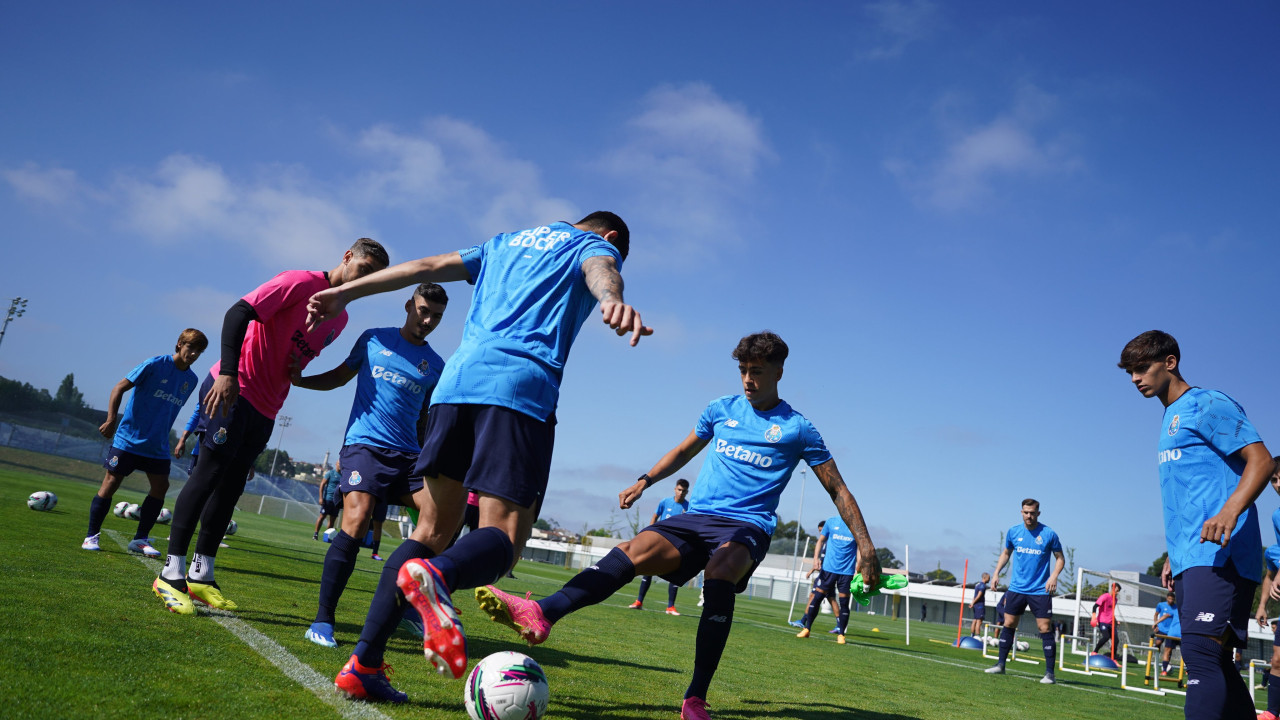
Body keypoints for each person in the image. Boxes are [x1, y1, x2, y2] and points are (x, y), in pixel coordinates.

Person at [303, 213, 649, 702]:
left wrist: (346, 294)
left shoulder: (504, 242)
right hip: (518, 392)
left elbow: (425, 264)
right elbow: (600, 270)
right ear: (611, 237)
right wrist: (612, 298)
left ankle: (364, 663)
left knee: (430, 530)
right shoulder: (591, 245)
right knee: (503, 538)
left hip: (455, 386)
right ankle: (438, 578)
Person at [476, 331, 881, 720]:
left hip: (747, 527)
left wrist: (866, 547)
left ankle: (695, 698)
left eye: (756, 371)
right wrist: (645, 481)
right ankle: (542, 613)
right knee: (633, 551)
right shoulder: (721, 409)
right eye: (742, 369)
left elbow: (839, 490)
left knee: (720, 572)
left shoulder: (797, 428)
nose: (747, 379)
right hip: (696, 519)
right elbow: (684, 450)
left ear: (778, 372)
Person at [152, 238, 389, 615]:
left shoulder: (339, 320)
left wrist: (297, 370)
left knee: (230, 489)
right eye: (364, 270)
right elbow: (237, 313)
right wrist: (228, 373)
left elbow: (290, 353)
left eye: (374, 279)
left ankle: (201, 574)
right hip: (233, 389)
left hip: (266, 408)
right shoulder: (299, 281)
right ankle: (170, 572)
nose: (365, 281)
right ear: (347, 258)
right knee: (208, 476)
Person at [1120, 330, 1274, 720]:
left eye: (1142, 368)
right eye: (1130, 372)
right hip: (1191, 556)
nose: (1136, 378)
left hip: (1224, 552)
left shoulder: (1206, 403)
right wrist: (1175, 555)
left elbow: (1262, 460)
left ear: (1170, 362)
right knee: (1214, 657)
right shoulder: (1168, 416)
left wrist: (1230, 510)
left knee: (1202, 653)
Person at [293, 283, 450, 647]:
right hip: (366, 446)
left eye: (437, 317)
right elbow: (339, 376)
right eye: (424, 310)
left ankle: (411, 602)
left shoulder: (436, 366)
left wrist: (430, 459)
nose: (428, 320)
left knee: (441, 519)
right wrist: (301, 381)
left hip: (409, 456)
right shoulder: (373, 339)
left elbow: (425, 419)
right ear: (409, 305)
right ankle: (323, 620)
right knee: (357, 518)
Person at [82, 329, 207, 556]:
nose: (194, 354)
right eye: (191, 348)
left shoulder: (192, 380)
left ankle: (140, 539)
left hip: (157, 446)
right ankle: (91, 536)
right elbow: (119, 387)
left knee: (161, 487)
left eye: (199, 351)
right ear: (179, 344)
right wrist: (111, 419)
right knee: (111, 482)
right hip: (128, 439)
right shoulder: (154, 364)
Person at [985, 498, 1064, 684]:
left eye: (1032, 513)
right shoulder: (1013, 532)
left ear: (1038, 513)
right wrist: (996, 573)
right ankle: (1000, 665)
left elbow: (1060, 558)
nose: (1029, 516)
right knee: (1009, 623)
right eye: (1026, 512)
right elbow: (1006, 553)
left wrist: (1053, 577)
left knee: (1044, 627)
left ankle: (1050, 674)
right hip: (1016, 588)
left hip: (1040, 590)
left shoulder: (1049, 534)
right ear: (1021, 512)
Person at [629, 478, 691, 615]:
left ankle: (670, 607)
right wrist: (651, 530)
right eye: (679, 489)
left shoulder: (689, 507)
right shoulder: (665, 502)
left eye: (684, 491)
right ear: (675, 489)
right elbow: (655, 516)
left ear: (687, 492)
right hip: (660, 540)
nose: (681, 493)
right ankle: (639, 601)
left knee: (675, 572)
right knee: (648, 568)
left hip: (676, 544)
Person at [795, 512, 859, 644]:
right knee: (816, 598)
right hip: (828, 569)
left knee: (844, 603)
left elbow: (859, 550)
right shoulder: (831, 522)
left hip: (847, 572)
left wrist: (858, 569)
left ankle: (841, 634)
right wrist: (815, 559)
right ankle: (807, 629)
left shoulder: (857, 525)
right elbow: (820, 541)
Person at [1254, 458, 1280, 719]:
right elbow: (1271, 572)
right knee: (1277, 661)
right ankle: (1272, 712)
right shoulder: (1276, 516)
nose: (1277, 484)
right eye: (1273, 480)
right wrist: (1262, 605)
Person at [789, 519, 840, 629]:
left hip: (826, 575)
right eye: (820, 531)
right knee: (831, 599)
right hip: (826, 574)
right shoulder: (825, 543)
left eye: (822, 531)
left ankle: (803, 621)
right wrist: (812, 570)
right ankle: (839, 625)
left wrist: (812, 570)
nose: (821, 533)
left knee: (814, 596)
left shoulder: (829, 543)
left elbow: (825, 561)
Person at [314, 460, 343, 540]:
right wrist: (321, 497)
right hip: (328, 499)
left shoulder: (343, 476)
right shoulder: (330, 473)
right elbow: (322, 484)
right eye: (339, 464)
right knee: (322, 516)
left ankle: (327, 537)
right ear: (336, 464)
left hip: (337, 501)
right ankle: (315, 534)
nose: (340, 465)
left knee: (332, 519)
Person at [1091, 582, 1120, 657]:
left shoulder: (1115, 600)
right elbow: (1094, 607)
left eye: (1118, 591)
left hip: (1111, 623)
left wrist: (1116, 621)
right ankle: (1095, 651)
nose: (1118, 592)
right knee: (1106, 637)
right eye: (1117, 590)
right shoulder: (1104, 596)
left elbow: (1111, 612)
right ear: (1113, 589)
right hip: (1102, 621)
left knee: (1116, 640)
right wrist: (1094, 617)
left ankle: (1113, 658)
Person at [1155, 590, 1180, 675]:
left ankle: (1165, 667)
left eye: (1172, 599)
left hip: (1172, 632)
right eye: (1169, 599)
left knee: (1169, 650)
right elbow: (1159, 615)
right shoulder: (1161, 605)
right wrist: (1156, 624)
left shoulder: (1176, 608)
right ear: (1167, 598)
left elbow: (1167, 615)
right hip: (1163, 629)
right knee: (1158, 643)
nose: (1171, 600)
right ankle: (1157, 659)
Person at [971, 572, 990, 637]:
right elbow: (979, 595)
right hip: (980, 605)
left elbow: (974, 596)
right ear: (985, 578)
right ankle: (978, 636)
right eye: (988, 578)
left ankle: (972, 635)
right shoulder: (983, 586)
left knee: (975, 620)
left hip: (976, 605)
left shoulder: (977, 585)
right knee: (979, 621)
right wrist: (973, 603)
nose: (989, 580)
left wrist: (972, 603)